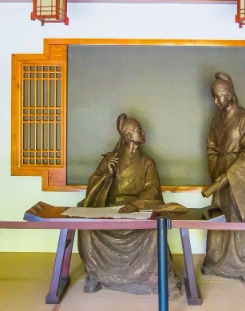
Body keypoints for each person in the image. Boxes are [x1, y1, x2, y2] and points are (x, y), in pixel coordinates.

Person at [77, 113, 182, 298]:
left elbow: (152, 189)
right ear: (127, 135)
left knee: (154, 230)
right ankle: (97, 274)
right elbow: (93, 185)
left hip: (137, 208)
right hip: (111, 207)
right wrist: (107, 176)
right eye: (139, 130)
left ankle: (157, 278)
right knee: (87, 227)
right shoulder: (111, 159)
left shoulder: (147, 162)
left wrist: (136, 204)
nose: (143, 133)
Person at [201, 72, 245, 281]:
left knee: (241, 215)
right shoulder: (216, 121)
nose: (216, 101)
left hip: (240, 176)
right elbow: (211, 148)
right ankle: (217, 260)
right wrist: (217, 172)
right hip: (221, 172)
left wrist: (229, 175)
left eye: (219, 96)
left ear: (230, 94)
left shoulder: (244, 119)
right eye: (214, 96)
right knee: (220, 215)